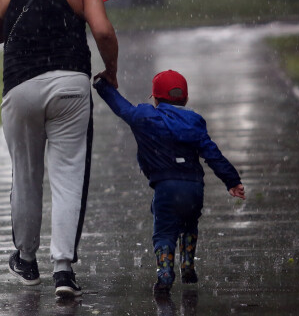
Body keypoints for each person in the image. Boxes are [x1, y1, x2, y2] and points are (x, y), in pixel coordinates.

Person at [0, 0, 119, 298]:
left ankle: (26, 260)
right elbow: (102, 31)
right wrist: (112, 70)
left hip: (20, 87)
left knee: (26, 175)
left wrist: (21, 30)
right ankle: (63, 270)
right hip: (70, 85)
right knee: (68, 175)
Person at [93, 69, 245, 294]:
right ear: (185, 99)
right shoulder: (194, 122)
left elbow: (121, 107)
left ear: (154, 98)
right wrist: (232, 180)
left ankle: (165, 273)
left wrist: (102, 85)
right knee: (189, 223)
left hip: (166, 187)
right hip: (194, 188)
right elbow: (212, 153)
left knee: (164, 231)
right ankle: (187, 264)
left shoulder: (145, 118)